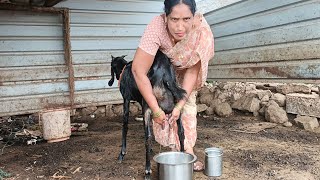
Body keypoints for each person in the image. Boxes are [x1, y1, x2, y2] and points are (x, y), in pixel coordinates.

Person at [131, 0, 214, 171]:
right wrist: (155, 109)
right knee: (164, 106)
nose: (180, 27)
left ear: (194, 17)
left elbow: (192, 72)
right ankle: (174, 148)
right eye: (174, 19)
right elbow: (138, 70)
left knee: (187, 108)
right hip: (164, 70)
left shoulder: (200, 32)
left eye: (186, 19)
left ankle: (187, 150)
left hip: (187, 70)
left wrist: (180, 105)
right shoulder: (156, 27)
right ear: (166, 17)